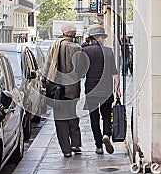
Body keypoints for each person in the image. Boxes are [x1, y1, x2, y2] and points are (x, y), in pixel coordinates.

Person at [42, 23, 84, 158]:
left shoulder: (54, 47)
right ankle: (75, 143)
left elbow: (47, 66)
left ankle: (66, 149)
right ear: (75, 35)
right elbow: (82, 71)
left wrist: (45, 81)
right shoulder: (78, 48)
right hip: (73, 89)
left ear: (63, 34)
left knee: (60, 120)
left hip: (56, 90)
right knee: (72, 115)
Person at [82, 24, 121, 155]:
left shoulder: (85, 52)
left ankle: (99, 146)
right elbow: (114, 72)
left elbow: (81, 72)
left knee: (94, 118)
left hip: (91, 90)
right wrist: (118, 88)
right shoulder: (109, 51)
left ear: (91, 38)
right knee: (106, 116)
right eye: (103, 37)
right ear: (100, 38)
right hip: (106, 90)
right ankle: (106, 135)